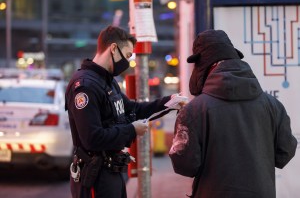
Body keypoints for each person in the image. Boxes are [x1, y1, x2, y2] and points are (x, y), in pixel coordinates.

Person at [169, 29, 297, 198]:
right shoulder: (272, 105)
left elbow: (184, 164)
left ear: (203, 64)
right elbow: (285, 152)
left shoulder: (193, 110)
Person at [65, 25, 176, 198]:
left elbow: (133, 109)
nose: (128, 62)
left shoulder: (107, 81)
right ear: (113, 48)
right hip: (95, 177)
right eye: (128, 55)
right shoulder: (86, 85)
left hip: (112, 173)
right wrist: (132, 130)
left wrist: (169, 102)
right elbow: (92, 138)